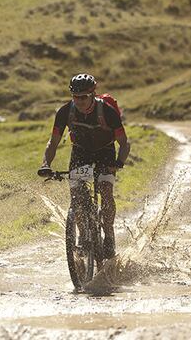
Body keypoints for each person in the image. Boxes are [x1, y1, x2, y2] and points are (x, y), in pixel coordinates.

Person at [38, 73, 130, 259]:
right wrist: (46, 164)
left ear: (93, 94)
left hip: (105, 152)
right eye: (75, 97)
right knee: (77, 196)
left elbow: (124, 142)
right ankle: (82, 236)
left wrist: (118, 164)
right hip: (81, 152)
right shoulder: (65, 112)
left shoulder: (107, 112)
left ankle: (109, 235)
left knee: (105, 189)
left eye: (83, 97)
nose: (79, 101)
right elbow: (53, 142)